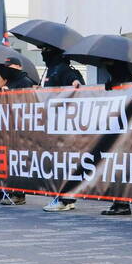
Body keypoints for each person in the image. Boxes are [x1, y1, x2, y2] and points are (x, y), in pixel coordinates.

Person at [40, 45, 84, 212]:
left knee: (62, 164)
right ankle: (68, 198)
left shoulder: (63, 69)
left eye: (45, 50)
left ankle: (63, 199)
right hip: (53, 125)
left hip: (64, 127)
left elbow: (75, 82)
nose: (43, 53)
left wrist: (75, 83)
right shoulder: (51, 70)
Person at [0, 56, 34, 205]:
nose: (7, 69)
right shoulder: (10, 82)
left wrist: (10, 94)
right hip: (9, 128)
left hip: (20, 129)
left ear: (18, 67)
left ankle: (19, 194)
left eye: (10, 66)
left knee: (19, 162)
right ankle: (9, 190)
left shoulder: (25, 82)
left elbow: (27, 104)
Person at [100, 60, 132, 216]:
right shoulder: (112, 79)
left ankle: (123, 203)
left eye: (110, 62)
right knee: (113, 168)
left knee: (122, 168)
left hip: (126, 132)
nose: (107, 66)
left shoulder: (130, 79)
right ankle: (117, 202)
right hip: (114, 129)